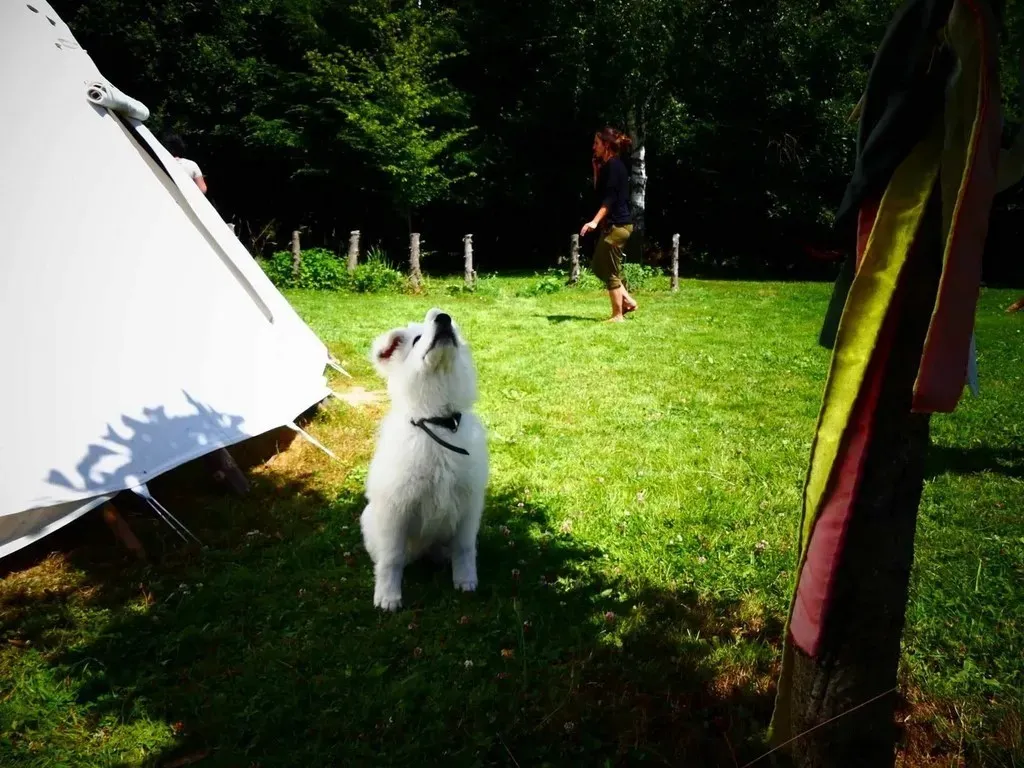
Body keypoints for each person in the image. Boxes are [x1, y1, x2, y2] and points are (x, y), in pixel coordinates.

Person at [580, 126, 637, 322]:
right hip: (613, 226)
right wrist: (596, 170)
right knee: (598, 266)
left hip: (618, 226)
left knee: (610, 270)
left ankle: (618, 315)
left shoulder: (614, 166)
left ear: (606, 145)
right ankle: (628, 302)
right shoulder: (608, 167)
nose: (593, 147)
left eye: (596, 143)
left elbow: (610, 199)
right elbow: (599, 194)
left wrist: (594, 222)